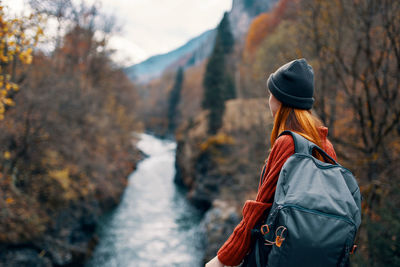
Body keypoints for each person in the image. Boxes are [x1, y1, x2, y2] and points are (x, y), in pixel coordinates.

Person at [205, 58, 337, 267]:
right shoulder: (325, 144)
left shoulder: (287, 143)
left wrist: (223, 259)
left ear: (281, 100)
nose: (268, 99)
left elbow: (260, 208)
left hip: (281, 253)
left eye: (270, 94)